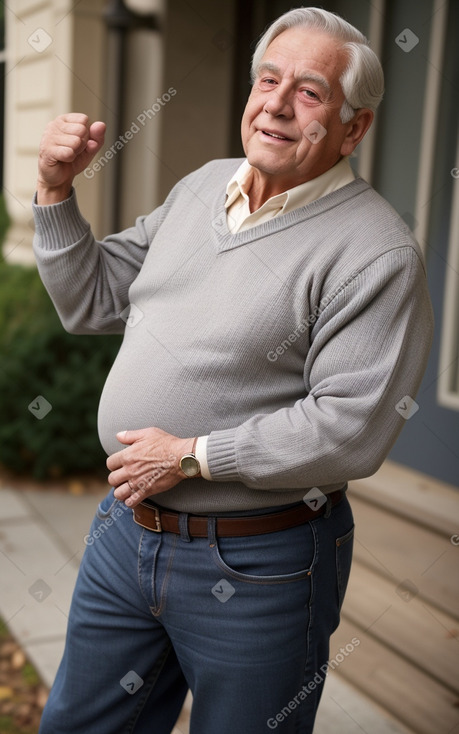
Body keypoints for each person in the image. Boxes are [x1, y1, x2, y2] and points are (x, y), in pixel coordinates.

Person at [33, 7, 433, 734]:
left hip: (258, 565)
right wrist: (57, 193)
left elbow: (351, 429)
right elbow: (92, 299)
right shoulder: (203, 187)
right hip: (125, 533)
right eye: (267, 80)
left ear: (355, 128)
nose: (276, 103)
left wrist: (190, 457)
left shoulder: (375, 253)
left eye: (309, 91)